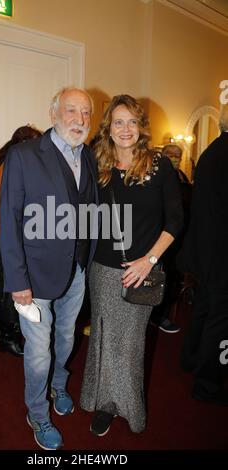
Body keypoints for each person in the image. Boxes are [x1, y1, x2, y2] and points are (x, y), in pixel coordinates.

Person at [0, 87, 98, 450]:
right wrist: (17, 281)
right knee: (38, 351)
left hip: (76, 271)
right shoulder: (24, 155)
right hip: (34, 277)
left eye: (86, 113)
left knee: (68, 338)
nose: (80, 119)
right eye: (72, 110)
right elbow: (9, 221)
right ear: (54, 112)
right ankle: (38, 413)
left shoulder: (87, 155)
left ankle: (59, 385)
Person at [80, 94, 183, 437]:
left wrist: (149, 260)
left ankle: (130, 408)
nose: (125, 129)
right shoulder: (98, 164)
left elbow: (175, 221)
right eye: (118, 121)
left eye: (132, 122)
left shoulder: (160, 166)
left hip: (142, 270)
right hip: (103, 268)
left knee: (131, 343)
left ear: (141, 127)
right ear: (108, 127)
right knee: (104, 338)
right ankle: (105, 404)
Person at [179, 104, 228, 405]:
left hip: (208, 250)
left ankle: (190, 358)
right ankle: (208, 384)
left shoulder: (214, 150)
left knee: (206, 309)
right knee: (221, 321)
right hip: (222, 253)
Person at [0, 125, 42, 356]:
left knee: (11, 285)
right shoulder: (10, 168)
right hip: (8, 239)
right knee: (7, 287)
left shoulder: (20, 165)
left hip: (16, 238)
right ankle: (7, 336)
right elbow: (7, 214)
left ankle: (12, 334)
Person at [150, 144, 192, 333]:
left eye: (178, 155)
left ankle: (162, 314)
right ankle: (156, 316)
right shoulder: (155, 174)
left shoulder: (182, 176)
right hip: (162, 235)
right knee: (160, 277)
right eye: (170, 154)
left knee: (173, 279)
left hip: (179, 237)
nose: (174, 158)